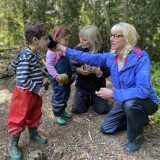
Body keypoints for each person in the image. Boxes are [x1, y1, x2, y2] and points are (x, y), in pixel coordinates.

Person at [56, 22, 159, 153]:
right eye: (111, 35)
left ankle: (135, 138)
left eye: (117, 36)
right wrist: (60, 47)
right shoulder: (112, 57)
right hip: (125, 100)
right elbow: (87, 57)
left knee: (130, 105)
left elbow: (143, 90)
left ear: (128, 38)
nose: (111, 39)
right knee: (107, 128)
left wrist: (114, 94)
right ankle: (139, 120)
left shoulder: (141, 58)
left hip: (145, 101)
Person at [8, 21, 50, 160]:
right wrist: (37, 87)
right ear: (35, 40)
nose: (48, 41)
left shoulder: (32, 54)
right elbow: (21, 79)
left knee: (34, 113)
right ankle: (13, 144)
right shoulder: (26, 56)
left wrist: (40, 84)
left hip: (34, 94)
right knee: (19, 117)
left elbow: (14, 66)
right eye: (46, 39)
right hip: (24, 94)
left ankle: (33, 134)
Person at [71, 25, 110, 114]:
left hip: (98, 88)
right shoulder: (78, 50)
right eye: (80, 38)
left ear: (94, 40)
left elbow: (108, 71)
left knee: (102, 110)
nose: (81, 41)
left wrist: (99, 72)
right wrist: (78, 69)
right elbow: (71, 66)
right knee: (78, 109)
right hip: (82, 87)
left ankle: (95, 100)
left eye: (85, 40)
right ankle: (86, 100)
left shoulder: (104, 51)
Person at [46, 25, 73, 126]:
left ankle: (62, 110)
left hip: (66, 79)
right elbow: (49, 66)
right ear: (57, 39)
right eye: (65, 39)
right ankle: (57, 114)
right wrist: (56, 76)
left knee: (66, 94)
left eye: (68, 39)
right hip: (58, 80)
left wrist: (77, 60)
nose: (67, 42)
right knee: (59, 95)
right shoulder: (51, 52)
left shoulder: (64, 50)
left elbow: (70, 59)